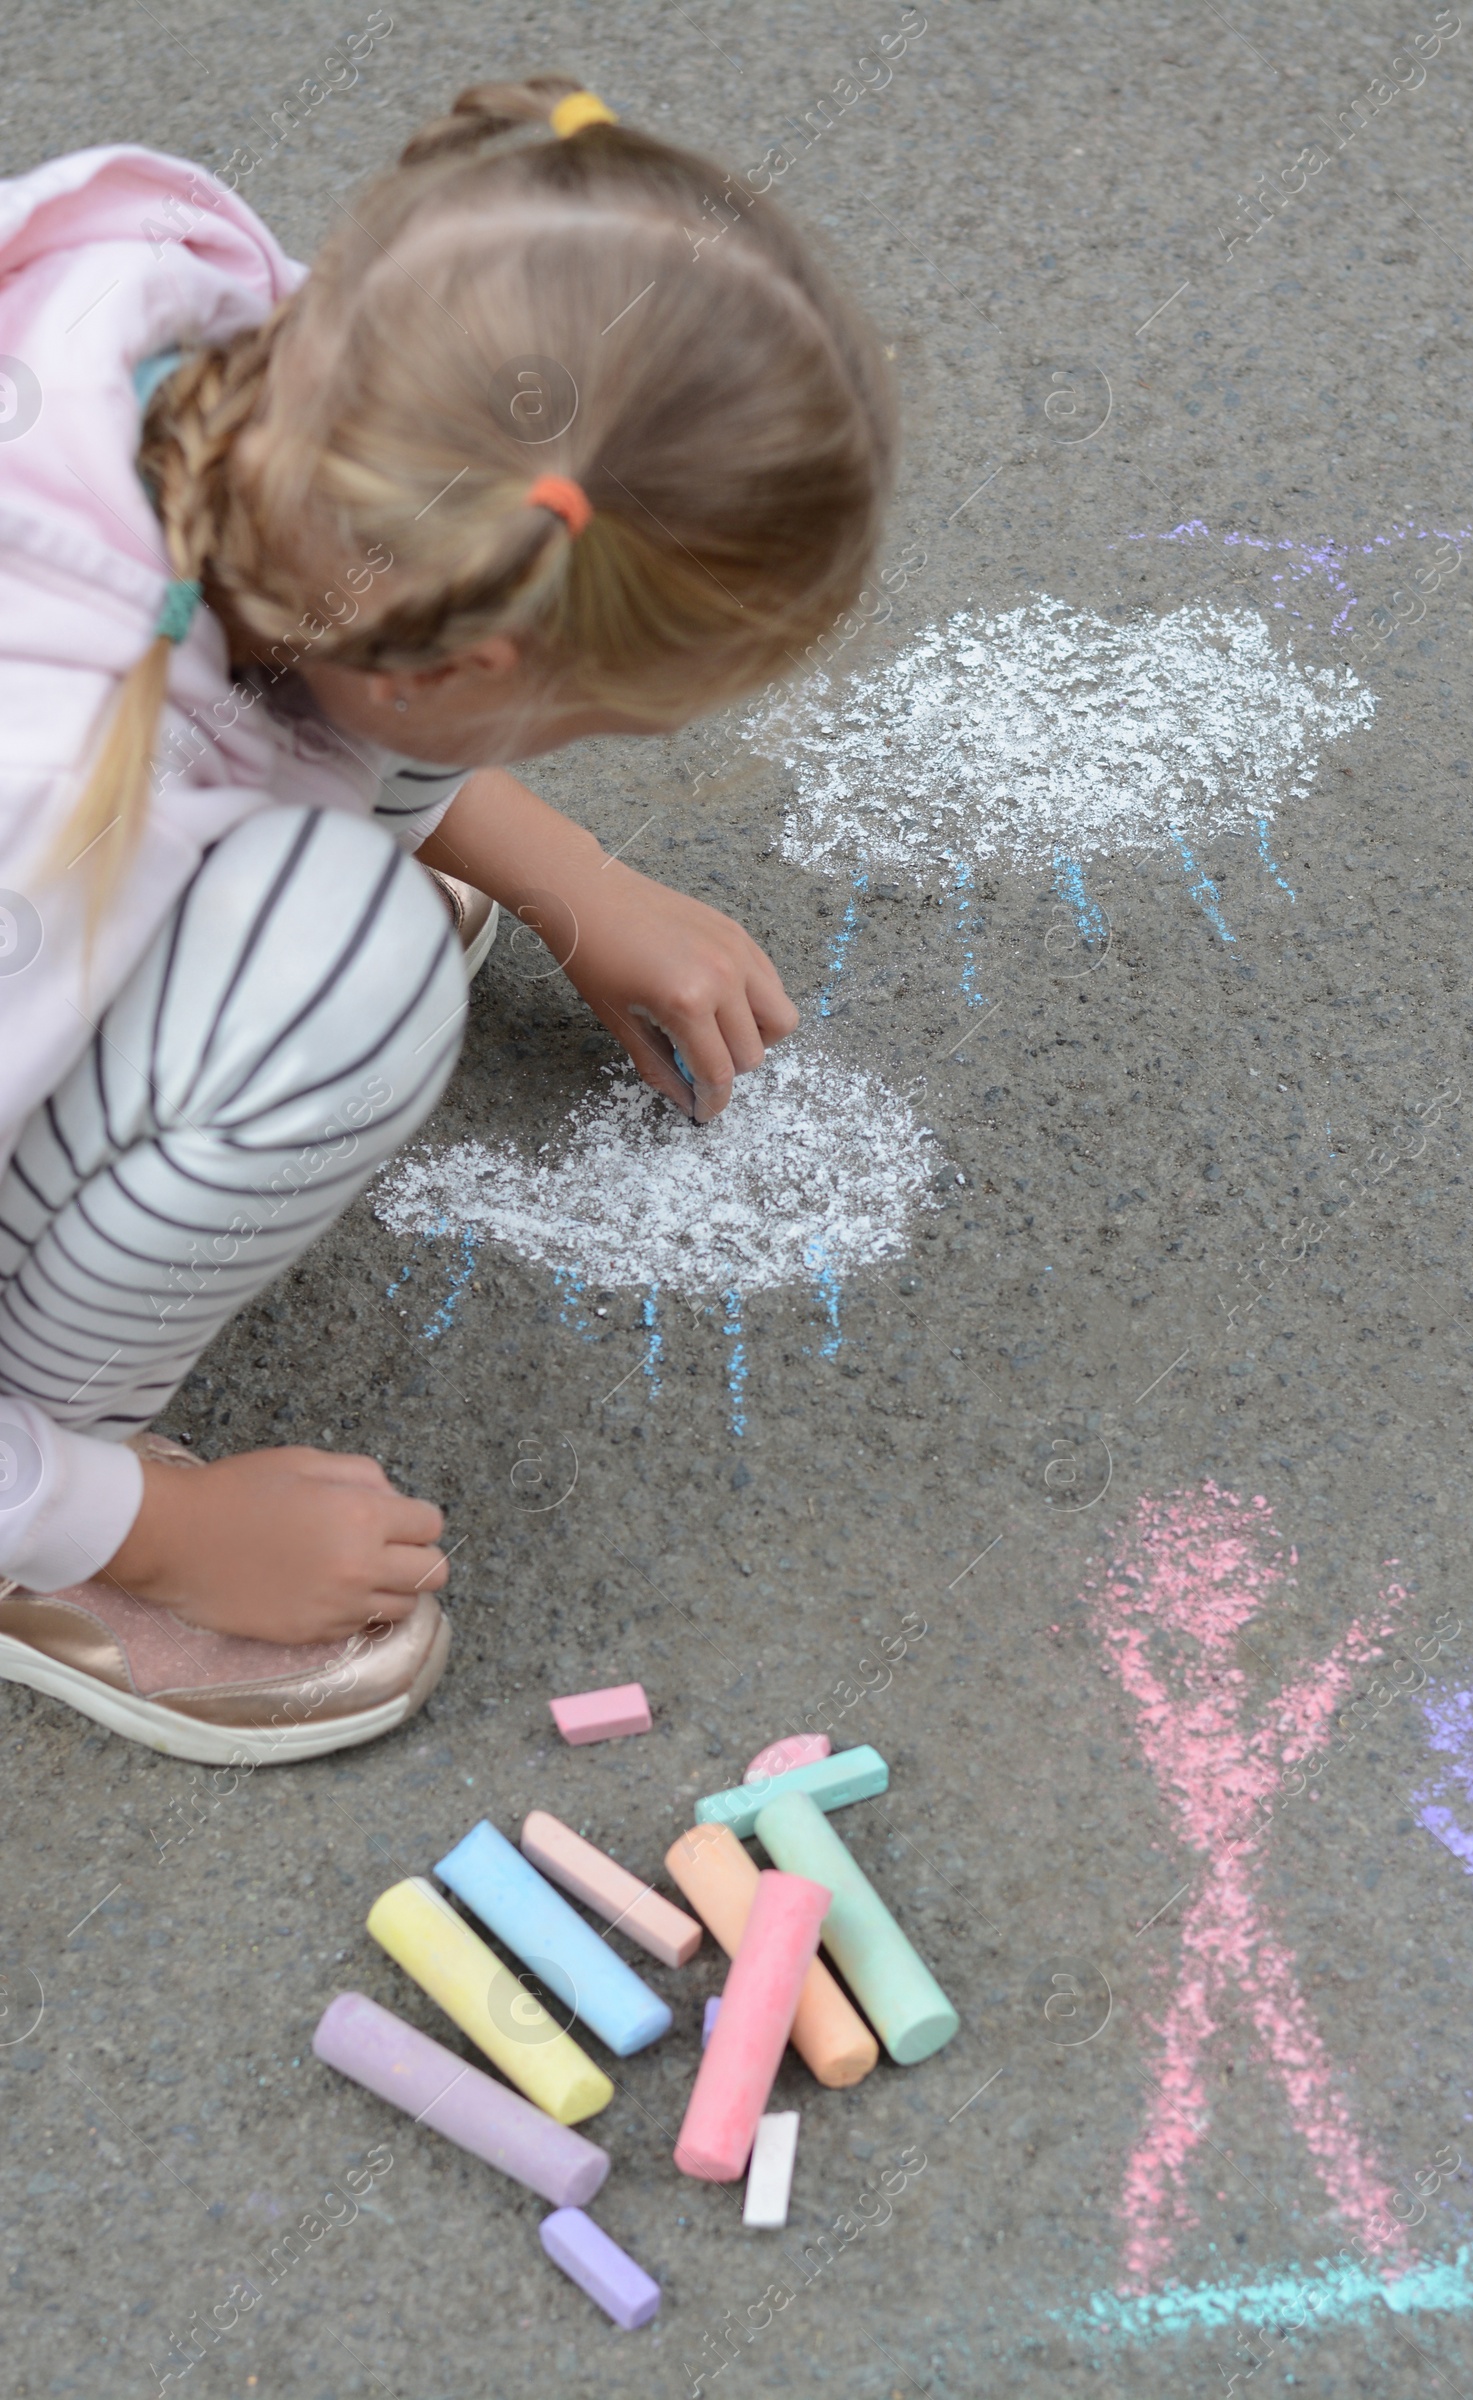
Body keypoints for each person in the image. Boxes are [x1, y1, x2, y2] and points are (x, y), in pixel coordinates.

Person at [0, 77, 894, 1762]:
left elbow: (315, 650)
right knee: (348, 975)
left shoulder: (214, 330)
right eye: (572, 725)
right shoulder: (39, 794)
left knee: (351, 877)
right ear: (450, 662)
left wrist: (574, 877)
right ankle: (44, 1504)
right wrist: (144, 1528)